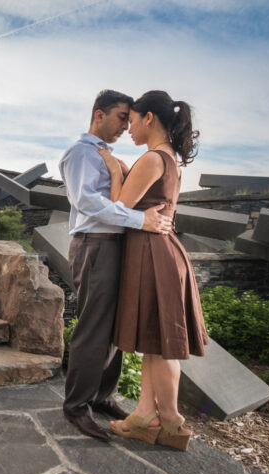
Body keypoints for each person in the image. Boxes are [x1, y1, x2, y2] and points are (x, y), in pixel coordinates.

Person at [59, 90, 173, 441]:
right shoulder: (81, 153)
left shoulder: (106, 155)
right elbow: (87, 202)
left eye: (130, 118)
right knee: (94, 327)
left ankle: (102, 395)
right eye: (122, 117)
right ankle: (76, 405)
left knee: (114, 328)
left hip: (114, 245)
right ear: (99, 115)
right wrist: (141, 221)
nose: (127, 125)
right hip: (94, 245)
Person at [98, 90, 209, 451]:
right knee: (153, 342)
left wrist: (116, 170)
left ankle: (173, 422)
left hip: (152, 255)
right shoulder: (169, 157)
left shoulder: (151, 158)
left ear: (148, 118)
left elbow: (119, 206)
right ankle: (144, 416)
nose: (128, 128)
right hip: (162, 252)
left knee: (161, 347)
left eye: (132, 121)